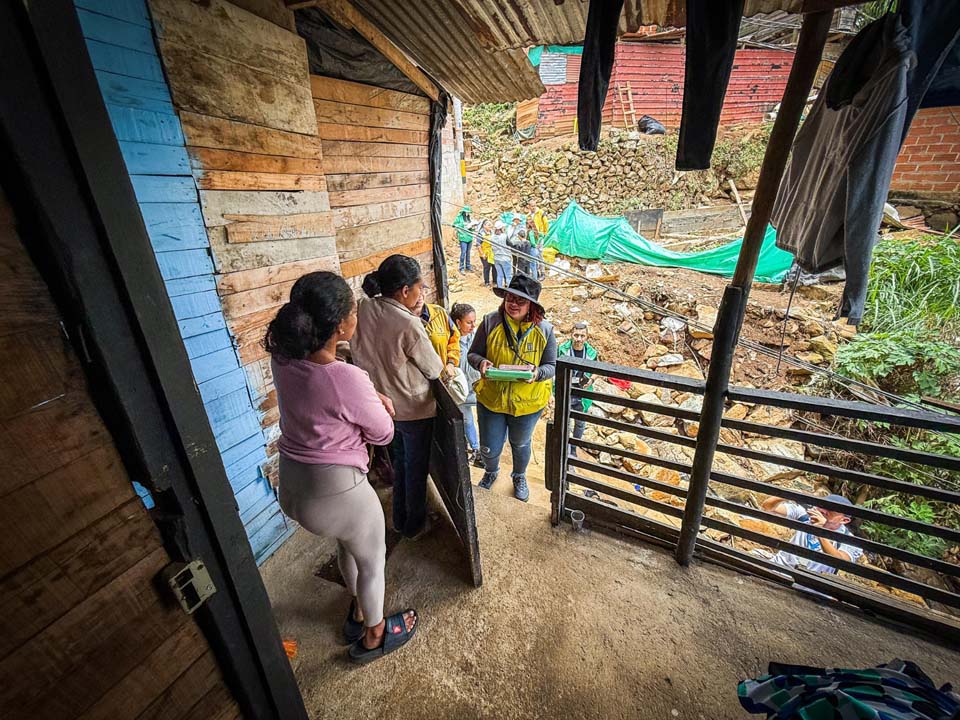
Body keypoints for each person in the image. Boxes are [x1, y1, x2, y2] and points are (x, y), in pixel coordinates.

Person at [264, 271, 417, 664]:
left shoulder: (282, 359)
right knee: (372, 560)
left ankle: (357, 609)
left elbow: (324, 403)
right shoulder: (345, 377)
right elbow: (383, 435)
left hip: (295, 486)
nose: (357, 313)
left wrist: (366, 396)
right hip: (338, 491)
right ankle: (373, 635)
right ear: (338, 325)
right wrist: (381, 403)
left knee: (347, 544)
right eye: (352, 308)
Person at [352, 255, 444, 539]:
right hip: (413, 410)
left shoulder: (363, 308)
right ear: (405, 291)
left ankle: (399, 519)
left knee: (401, 462)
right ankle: (413, 525)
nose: (422, 294)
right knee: (415, 470)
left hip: (381, 408)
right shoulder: (408, 323)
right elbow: (434, 368)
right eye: (420, 288)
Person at [469, 274, 557, 502]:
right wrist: (481, 363)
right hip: (492, 399)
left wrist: (537, 374)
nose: (513, 304)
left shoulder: (545, 330)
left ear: (532, 306)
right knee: (490, 445)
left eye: (520, 301)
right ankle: (491, 472)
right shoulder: (490, 322)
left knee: (520, 443)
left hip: (527, 403)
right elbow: (473, 353)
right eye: (510, 298)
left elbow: (551, 366)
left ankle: (519, 476)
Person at [760, 494, 863, 574]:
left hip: (810, 588)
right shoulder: (804, 515)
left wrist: (820, 532)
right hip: (778, 569)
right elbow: (767, 507)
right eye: (822, 505)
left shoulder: (850, 541)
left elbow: (841, 561)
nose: (822, 510)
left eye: (831, 510)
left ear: (844, 520)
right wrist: (786, 495)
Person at [557, 322, 600, 457]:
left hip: (583, 391)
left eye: (582, 336)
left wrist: (591, 380)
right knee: (566, 422)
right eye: (576, 335)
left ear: (587, 337)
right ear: (571, 335)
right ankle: (564, 449)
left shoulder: (592, 352)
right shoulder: (562, 349)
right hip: (567, 390)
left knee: (580, 423)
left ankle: (574, 449)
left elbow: (597, 369)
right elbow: (554, 366)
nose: (579, 339)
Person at [451, 303, 484, 467]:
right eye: (469, 323)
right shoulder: (451, 342)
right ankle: (477, 450)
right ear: (458, 323)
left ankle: (486, 450)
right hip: (461, 391)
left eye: (474, 322)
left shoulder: (476, 337)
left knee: (486, 415)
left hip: (478, 386)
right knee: (467, 420)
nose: (473, 326)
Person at [420, 300, 459, 380]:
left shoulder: (439, 312)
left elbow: (454, 339)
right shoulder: (401, 320)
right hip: (416, 383)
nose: (420, 294)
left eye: (422, 289)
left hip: (442, 379)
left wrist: (451, 363)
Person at [491, 220, 513, 289]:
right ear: (501, 228)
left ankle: (500, 287)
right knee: (508, 276)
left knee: (499, 275)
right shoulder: (504, 236)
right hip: (505, 258)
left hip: (496, 258)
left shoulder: (492, 237)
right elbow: (511, 244)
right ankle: (509, 290)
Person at [453, 205, 474, 274]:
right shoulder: (459, 218)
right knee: (463, 252)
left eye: (468, 212)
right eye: (466, 212)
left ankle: (468, 266)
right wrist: (462, 224)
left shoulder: (469, 218)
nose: (467, 214)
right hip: (463, 237)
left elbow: (472, 228)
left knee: (468, 252)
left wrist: (473, 226)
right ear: (463, 212)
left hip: (469, 237)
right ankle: (461, 267)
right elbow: (454, 225)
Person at [477, 219, 495, 287]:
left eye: (491, 225)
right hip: (484, 252)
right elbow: (478, 245)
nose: (491, 226)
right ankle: (486, 282)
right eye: (489, 225)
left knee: (494, 266)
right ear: (484, 226)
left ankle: (494, 281)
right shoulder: (481, 234)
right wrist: (482, 254)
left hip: (492, 252)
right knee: (487, 267)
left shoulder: (492, 232)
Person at [525, 216, 544, 280]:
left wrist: (535, 245)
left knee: (533, 266)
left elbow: (532, 243)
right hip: (536, 251)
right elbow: (542, 235)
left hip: (532, 250)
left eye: (526, 224)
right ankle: (536, 277)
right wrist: (538, 242)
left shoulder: (530, 232)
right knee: (535, 264)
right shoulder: (535, 231)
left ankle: (535, 279)